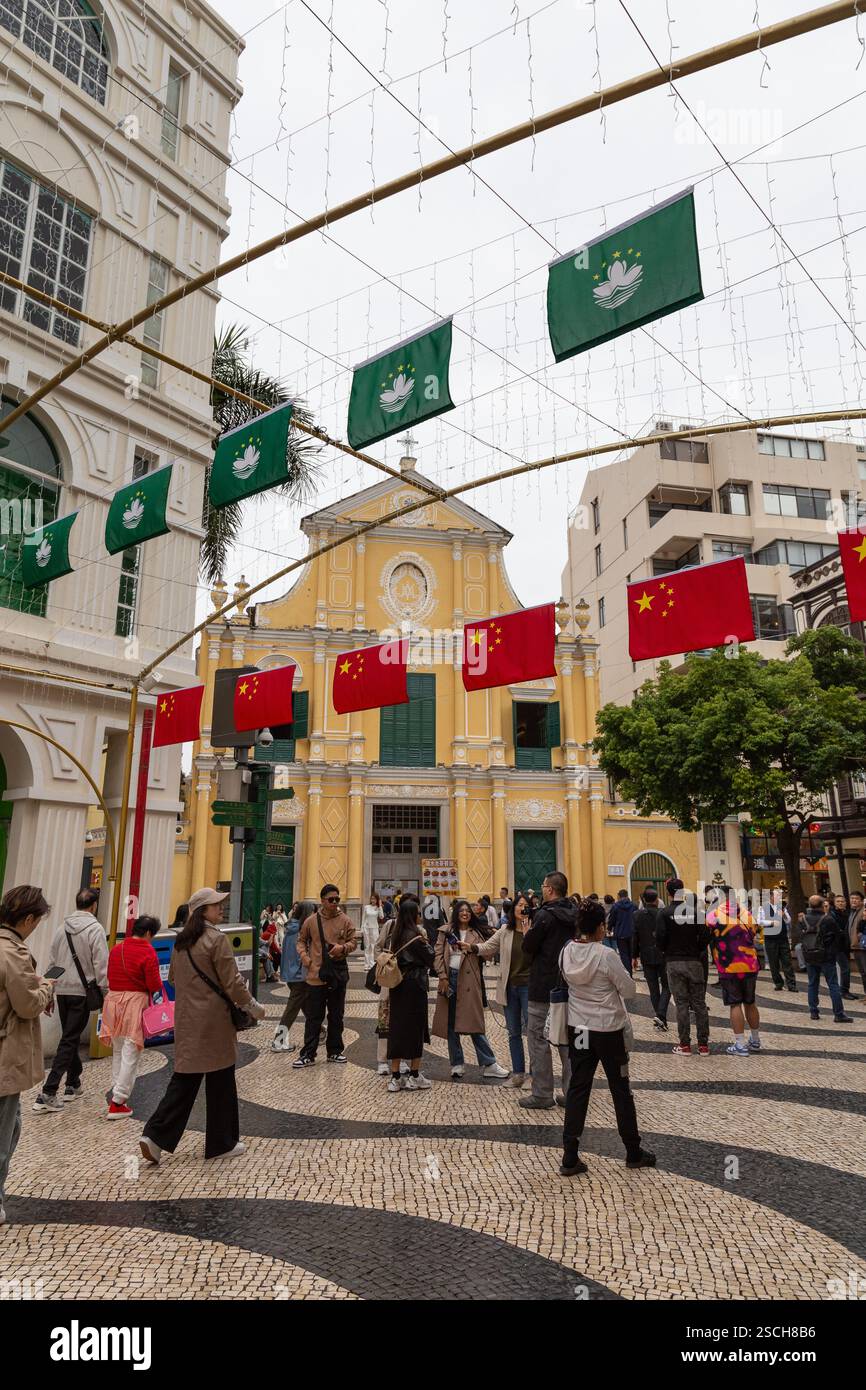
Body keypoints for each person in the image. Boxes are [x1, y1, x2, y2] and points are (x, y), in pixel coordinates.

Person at [140, 888, 265, 1165]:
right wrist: (252, 1006)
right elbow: (233, 983)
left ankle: (155, 1136)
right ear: (202, 911)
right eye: (216, 905)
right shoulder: (216, 939)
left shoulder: (182, 941)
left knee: (185, 1079)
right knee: (221, 1080)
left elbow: (172, 979)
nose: (221, 908)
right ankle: (222, 1142)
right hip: (214, 1021)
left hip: (187, 1019)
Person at [559, 900, 655, 1176]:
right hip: (608, 1031)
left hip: (579, 1029)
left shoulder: (566, 951)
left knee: (578, 1087)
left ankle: (570, 1154)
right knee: (620, 1088)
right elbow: (628, 991)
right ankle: (633, 1151)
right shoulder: (606, 955)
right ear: (601, 927)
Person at [0, 885, 54, 1222]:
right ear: (28, 918)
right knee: (5, 1130)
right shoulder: (13, 952)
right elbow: (28, 1004)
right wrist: (46, 987)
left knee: (12, 1122)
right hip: (5, 1053)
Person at [33, 887, 109, 1114]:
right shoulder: (95, 929)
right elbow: (101, 964)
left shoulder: (61, 928)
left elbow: (54, 961)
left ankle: (73, 1083)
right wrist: (106, 992)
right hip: (82, 992)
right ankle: (48, 1091)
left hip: (62, 989)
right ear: (94, 905)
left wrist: (49, 992)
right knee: (68, 1039)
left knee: (70, 1036)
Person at [519, 871, 577, 1109]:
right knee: (568, 1041)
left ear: (550, 890)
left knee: (538, 1039)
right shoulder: (575, 914)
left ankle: (542, 1093)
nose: (542, 889)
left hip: (543, 985)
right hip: (569, 985)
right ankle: (573, 1093)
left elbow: (529, 947)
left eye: (543, 886)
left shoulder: (544, 916)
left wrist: (526, 933)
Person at [432, 900, 509, 1080]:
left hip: (470, 981)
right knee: (451, 1023)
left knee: (474, 1023)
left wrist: (480, 944)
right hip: (450, 978)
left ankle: (489, 1063)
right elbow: (437, 955)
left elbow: (488, 953)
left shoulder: (476, 932)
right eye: (462, 910)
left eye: (468, 911)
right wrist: (442, 977)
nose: (465, 913)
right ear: (456, 912)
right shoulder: (445, 931)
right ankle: (457, 1063)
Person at [99, 914, 163, 1117]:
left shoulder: (117, 949)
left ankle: (116, 1091)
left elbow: (109, 975)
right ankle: (118, 1101)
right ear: (148, 933)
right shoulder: (148, 951)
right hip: (134, 1002)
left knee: (118, 1049)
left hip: (113, 1001)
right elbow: (154, 984)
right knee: (131, 1050)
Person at [472, 891, 532, 1086]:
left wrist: (528, 933)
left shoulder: (536, 930)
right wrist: (471, 947)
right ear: (513, 908)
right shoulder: (505, 931)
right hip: (510, 987)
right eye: (519, 905)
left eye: (525, 905)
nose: (522, 908)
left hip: (529, 988)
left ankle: (535, 1075)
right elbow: (488, 947)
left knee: (533, 1033)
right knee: (513, 1032)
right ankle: (518, 1074)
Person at [293, 885, 357, 1067]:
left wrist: (343, 948)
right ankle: (308, 1053)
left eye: (337, 899)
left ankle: (335, 1051)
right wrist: (305, 958)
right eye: (331, 899)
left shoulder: (345, 920)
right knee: (314, 1016)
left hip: (337, 973)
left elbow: (354, 941)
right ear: (322, 900)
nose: (335, 903)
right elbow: (301, 940)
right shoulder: (312, 921)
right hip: (316, 975)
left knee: (336, 1015)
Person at [383, 895, 434, 1091]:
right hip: (415, 986)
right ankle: (414, 1074)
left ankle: (395, 1076)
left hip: (398, 986)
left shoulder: (395, 936)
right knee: (416, 1028)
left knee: (397, 1028)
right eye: (419, 913)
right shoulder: (416, 937)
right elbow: (431, 958)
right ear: (413, 915)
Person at [656, 878, 711, 1057]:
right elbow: (705, 937)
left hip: (673, 961)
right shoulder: (697, 913)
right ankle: (703, 1045)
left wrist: (667, 951)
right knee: (699, 1003)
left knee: (681, 1003)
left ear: (669, 893)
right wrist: (697, 950)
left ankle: (685, 1045)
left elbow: (660, 939)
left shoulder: (664, 914)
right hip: (694, 961)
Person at [707, 896, 761, 1056]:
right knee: (750, 1002)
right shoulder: (748, 915)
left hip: (728, 965)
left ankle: (740, 1044)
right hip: (750, 964)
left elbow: (707, 935)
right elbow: (754, 932)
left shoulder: (714, 916)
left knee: (735, 1004)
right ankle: (756, 1039)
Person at [797, 894, 853, 1023]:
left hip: (810, 955)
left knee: (812, 983)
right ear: (822, 905)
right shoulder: (828, 919)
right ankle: (838, 1014)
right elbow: (837, 937)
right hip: (827, 956)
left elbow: (800, 935)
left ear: (810, 905)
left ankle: (813, 1012)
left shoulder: (803, 919)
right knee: (833, 984)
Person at [272, 899, 315, 1053]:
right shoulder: (302, 932)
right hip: (299, 975)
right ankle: (278, 1040)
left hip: (290, 975)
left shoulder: (290, 928)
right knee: (291, 1010)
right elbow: (300, 955)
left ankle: (320, 1032)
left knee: (305, 1007)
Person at [632, 887, 670, 1030]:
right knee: (667, 986)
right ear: (656, 899)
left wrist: (634, 956)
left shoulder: (636, 915)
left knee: (653, 988)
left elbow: (635, 937)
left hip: (646, 955)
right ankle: (661, 1015)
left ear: (645, 900)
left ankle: (659, 1015)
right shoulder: (663, 913)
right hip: (663, 954)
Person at [757, 890, 796, 992]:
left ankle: (791, 984)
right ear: (771, 897)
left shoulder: (781, 907)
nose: (779, 898)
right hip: (770, 939)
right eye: (776, 896)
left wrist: (784, 915)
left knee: (787, 961)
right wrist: (771, 922)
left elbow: (788, 920)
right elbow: (760, 921)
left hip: (783, 938)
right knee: (773, 963)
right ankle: (778, 983)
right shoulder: (763, 908)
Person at [830, 893, 857, 1000]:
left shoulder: (847, 913)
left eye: (843, 901)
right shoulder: (832, 914)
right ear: (834, 903)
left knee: (845, 969)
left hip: (845, 946)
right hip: (837, 947)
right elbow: (836, 930)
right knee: (845, 969)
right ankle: (844, 991)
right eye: (838, 901)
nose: (841, 903)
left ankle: (845, 990)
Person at [608, 889, 637, 974]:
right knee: (631, 954)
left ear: (619, 896)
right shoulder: (634, 905)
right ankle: (631, 970)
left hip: (620, 934)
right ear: (627, 895)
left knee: (624, 955)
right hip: (632, 933)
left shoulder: (616, 906)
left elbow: (612, 919)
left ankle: (628, 973)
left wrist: (609, 928)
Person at [361, 891, 384, 970]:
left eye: (374, 899)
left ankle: (372, 964)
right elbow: (363, 918)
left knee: (373, 946)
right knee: (367, 946)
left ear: (377, 900)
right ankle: (366, 964)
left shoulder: (378, 908)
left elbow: (381, 917)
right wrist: (362, 929)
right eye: (371, 899)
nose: (373, 900)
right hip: (366, 928)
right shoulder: (366, 907)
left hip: (374, 928)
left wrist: (380, 906)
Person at [849, 890, 866, 995]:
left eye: (856, 899)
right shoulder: (853, 911)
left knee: (865, 972)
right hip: (856, 946)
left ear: (861, 901)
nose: (854, 900)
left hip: (862, 947)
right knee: (863, 972)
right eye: (852, 898)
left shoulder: (863, 911)